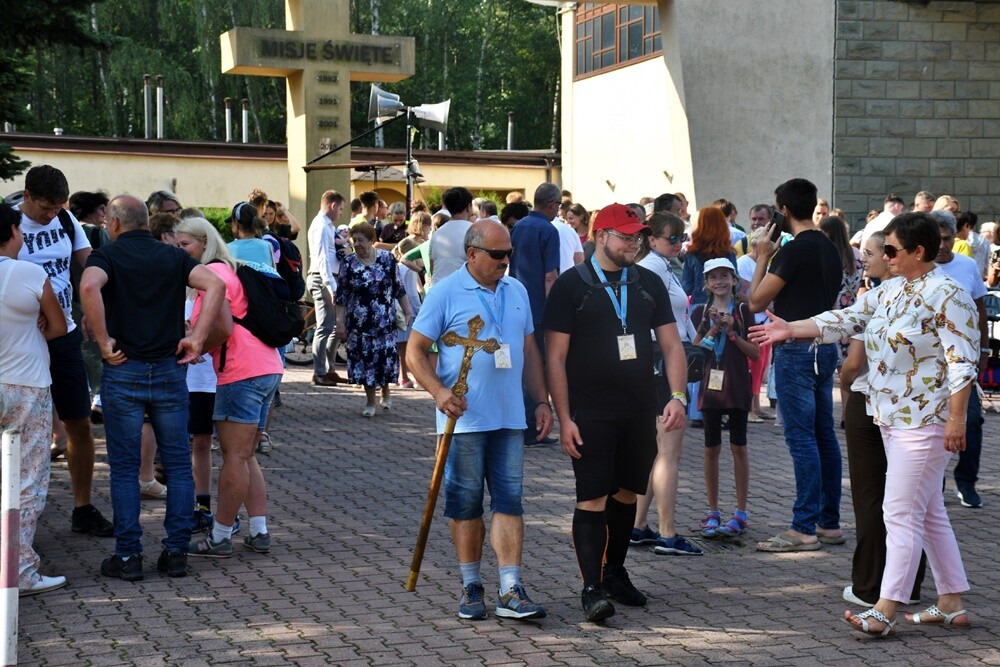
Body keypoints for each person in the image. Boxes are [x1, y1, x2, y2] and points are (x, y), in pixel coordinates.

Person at [750, 211, 977, 637]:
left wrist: (956, 420)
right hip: (891, 415)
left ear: (918, 251)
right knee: (928, 513)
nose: (884, 256)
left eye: (891, 249)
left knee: (900, 513)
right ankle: (951, 602)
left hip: (924, 419)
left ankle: (886, 607)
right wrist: (792, 329)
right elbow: (846, 318)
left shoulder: (950, 294)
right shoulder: (890, 289)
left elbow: (962, 364)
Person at [544, 203, 687, 622]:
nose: (634, 243)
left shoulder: (647, 283)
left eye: (637, 236)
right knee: (592, 497)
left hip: (639, 407)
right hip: (590, 410)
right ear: (600, 235)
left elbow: (672, 345)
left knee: (627, 492)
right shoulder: (572, 286)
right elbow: (555, 358)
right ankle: (591, 588)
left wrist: (676, 395)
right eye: (625, 235)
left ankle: (615, 573)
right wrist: (564, 416)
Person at [407, 220, 551, 621]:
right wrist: (439, 392)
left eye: (509, 254)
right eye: (498, 255)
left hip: (509, 418)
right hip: (464, 421)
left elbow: (528, 349)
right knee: (465, 503)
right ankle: (471, 585)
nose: (506, 261)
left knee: (510, 500)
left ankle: (510, 587)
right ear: (472, 254)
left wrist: (541, 400)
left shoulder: (516, 289)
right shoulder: (445, 292)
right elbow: (415, 352)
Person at [80, 197, 228, 580]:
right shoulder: (172, 256)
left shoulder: (107, 256)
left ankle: (128, 556)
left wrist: (103, 339)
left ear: (113, 222)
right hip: (167, 369)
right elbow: (214, 284)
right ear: (146, 223)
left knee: (126, 468)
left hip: (124, 368)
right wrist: (196, 338)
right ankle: (176, 551)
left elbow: (88, 287)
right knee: (178, 465)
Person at [15, 165, 115, 537]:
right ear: (27, 196)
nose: (52, 214)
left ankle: (83, 507)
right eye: (45, 207)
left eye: (58, 206)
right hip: (19, 340)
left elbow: (88, 267)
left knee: (79, 423)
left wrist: (90, 312)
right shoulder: (9, 224)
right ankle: (17, 515)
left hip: (65, 336)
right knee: (20, 428)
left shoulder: (68, 220)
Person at [174, 217, 282, 559]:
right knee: (246, 455)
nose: (181, 253)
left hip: (241, 371)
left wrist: (195, 347)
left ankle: (220, 536)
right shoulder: (229, 270)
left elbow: (222, 328)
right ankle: (259, 531)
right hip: (266, 366)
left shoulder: (214, 276)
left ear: (204, 242)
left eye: (184, 246)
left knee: (234, 456)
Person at [748, 178, 843, 553]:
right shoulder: (830, 247)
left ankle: (803, 527)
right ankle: (828, 524)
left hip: (796, 349)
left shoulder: (794, 250)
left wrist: (761, 258)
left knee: (802, 439)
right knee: (824, 437)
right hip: (824, 345)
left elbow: (755, 301)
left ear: (784, 211)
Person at [839, 230, 926, 609]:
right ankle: (907, 584)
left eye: (873, 253)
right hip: (911, 404)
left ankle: (869, 585)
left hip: (874, 400)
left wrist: (844, 385)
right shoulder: (913, 293)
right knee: (913, 500)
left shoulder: (876, 298)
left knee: (875, 496)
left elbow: (854, 363)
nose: (867, 260)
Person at [0, 203, 69, 595]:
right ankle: (18, 570)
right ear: (13, 230)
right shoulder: (29, 272)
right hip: (26, 382)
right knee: (27, 480)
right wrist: (32, 327)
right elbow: (58, 326)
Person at [631, 212, 701, 556]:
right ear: (653, 239)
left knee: (656, 450)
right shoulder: (653, 268)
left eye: (681, 237)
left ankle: (639, 525)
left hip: (660, 360)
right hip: (661, 362)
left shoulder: (660, 266)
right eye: (673, 237)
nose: (679, 242)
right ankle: (668, 533)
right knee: (668, 452)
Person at [690, 258, 759, 538]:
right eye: (713, 277)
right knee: (710, 448)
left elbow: (754, 353)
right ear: (706, 283)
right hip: (711, 387)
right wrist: (713, 329)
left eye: (724, 276)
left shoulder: (743, 309)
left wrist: (732, 333)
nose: (719, 281)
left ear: (733, 280)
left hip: (738, 383)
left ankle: (741, 512)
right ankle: (713, 510)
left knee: (738, 447)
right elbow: (695, 351)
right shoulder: (700, 312)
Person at [931, 211, 989, 509]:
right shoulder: (921, 268)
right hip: (929, 363)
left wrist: (984, 349)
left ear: (956, 237)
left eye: (946, 238)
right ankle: (935, 484)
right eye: (936, 238)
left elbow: (980, 309)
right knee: (933, 423)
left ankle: (966, 482)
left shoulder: (966, 266)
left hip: (962, 361)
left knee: (974, 420)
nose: (941, 245)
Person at [335, 223, 412, 417]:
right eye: (354, 241)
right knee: (366, 361)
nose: (357, 244)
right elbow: (342, 296)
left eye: (361, 240)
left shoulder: (387, 259)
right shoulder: (349, 263)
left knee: (385, 359)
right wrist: (340, 321)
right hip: (359, 323)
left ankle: (385, 390)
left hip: (384, 321)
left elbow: (399, 289)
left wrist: (408, 311)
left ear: (371, 240)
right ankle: (370, 402)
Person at [510, 183, 562, 445]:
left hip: (517, 304)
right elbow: (550, 276)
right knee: (537, 367)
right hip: (540, 309)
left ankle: (520, 421)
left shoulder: (518, 227)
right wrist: (555, 312)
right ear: (552, 204)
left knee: (520, 366)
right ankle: (533, 426)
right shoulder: (549, 230)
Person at [307, 190, 346, 386]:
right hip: (322, 278)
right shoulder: (321, 226)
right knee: (324, 327)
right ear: (332, 205)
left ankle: (328, 369)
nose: (340, 213)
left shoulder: (327, 226)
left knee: (330, 327)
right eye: (340, 208)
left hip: (326, 278)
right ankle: (319, 372)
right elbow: (322, 259)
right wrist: (331, 286)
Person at [736, 227, 774, 421]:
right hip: (753, 320)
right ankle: (749, 407)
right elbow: (740, 292)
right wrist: (758, 304)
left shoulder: (764, 263)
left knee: (762, 365)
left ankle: (757, 405)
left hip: (764, 319)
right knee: (752, 364)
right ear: (754, 245)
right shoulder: (744, 262)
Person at [681, 207, 738, 308]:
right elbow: (736, 283)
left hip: (699, 306)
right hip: (726, 305)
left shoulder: (691, 254)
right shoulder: (729, 253)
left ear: (700, 225)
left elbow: (686, 287)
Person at [430, 187, 476, 284]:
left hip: (437, 288)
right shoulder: (474, 230)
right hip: (462, 289)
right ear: (468, 206)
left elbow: (432, 265)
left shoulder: (437, 233)